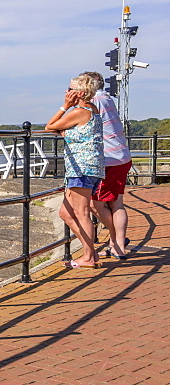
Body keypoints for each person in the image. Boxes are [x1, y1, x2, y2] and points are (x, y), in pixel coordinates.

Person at [44, 73, 104, 268]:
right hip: (86, 167)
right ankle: (91, 253)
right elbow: (65, 128)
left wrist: (65, 106)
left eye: (70, 89)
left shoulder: (79, 111)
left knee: (81, 213)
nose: (66, 92)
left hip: (82, 168)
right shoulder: (92, 109)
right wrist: (65, 129)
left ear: (79, 93)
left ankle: (88, 257)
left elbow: (49, 126)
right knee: (65, 213)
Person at [82, 71, 132, 259]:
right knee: (117, 203)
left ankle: (118, 242)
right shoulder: (107, 98)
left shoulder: (94, 102)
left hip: (108, 160)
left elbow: (79, 124)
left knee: (96, 204)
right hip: (121, 156)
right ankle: (117, 243)